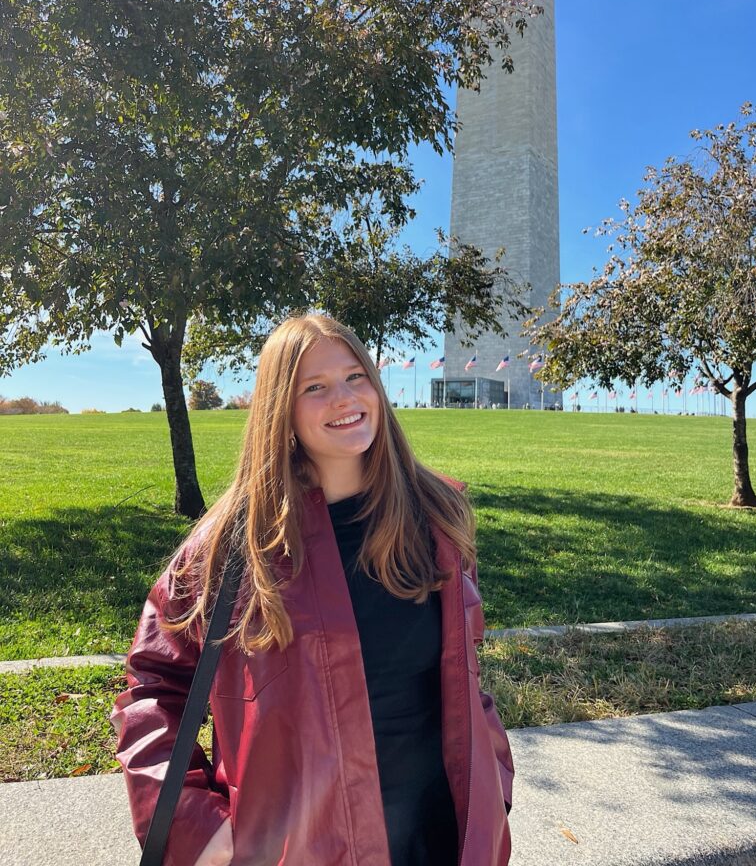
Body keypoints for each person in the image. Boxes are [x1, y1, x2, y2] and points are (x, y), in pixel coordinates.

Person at [111, 314, 513, 866]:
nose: (344, 399)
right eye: (315, 387)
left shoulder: (437, 518)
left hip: (446, 838)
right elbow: (152, 686)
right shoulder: (234, 545)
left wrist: (495, 776)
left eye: (355, 376)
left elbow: (464, 671)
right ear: (283, 408)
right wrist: (194, 826)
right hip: (301, 848)